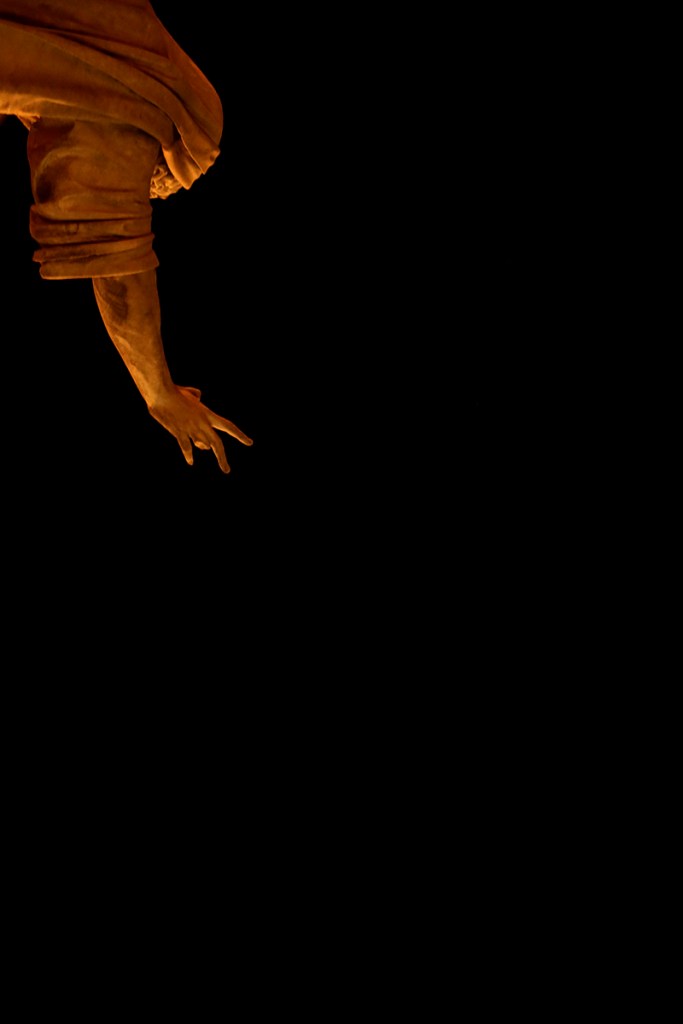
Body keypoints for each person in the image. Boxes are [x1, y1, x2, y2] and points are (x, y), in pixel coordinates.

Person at [0, 0, 252, 473]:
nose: (154, 192)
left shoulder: (125, 29)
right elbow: (119, 263)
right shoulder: (132, 106)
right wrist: (159, 394)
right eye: (159, 185)